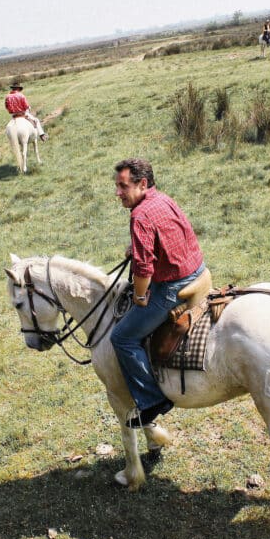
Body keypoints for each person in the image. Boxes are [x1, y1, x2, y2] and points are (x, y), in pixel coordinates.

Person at [110, 159, 205, 428]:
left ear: (142, 184)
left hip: (172, 286)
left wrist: (140, 297)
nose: (118, 192)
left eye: (123, 186)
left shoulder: (139, 215)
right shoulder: (162, 199)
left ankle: (152, 399)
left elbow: (143, 270)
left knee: (122, 337)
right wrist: (136, 247)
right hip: (197, 270)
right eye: (117, 185)